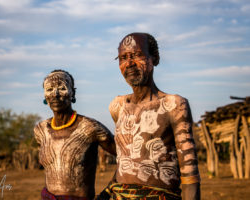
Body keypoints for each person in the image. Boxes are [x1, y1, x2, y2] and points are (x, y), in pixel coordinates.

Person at [99, 33, 200, 200]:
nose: (129, 63)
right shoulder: (118, 106)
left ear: (155, 58)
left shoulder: (173, 105)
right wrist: (108, 190)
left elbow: (190, 172)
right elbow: (128, 157)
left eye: (137, 55)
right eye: (123, 58)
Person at [34, 69, 116, 200]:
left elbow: (126, 157)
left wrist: (110, 190)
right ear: (45, 96)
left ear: (73, 93)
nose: (55, 94)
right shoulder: (41, 130)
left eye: (62, 88)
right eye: (49, 89)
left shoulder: (90, 127)